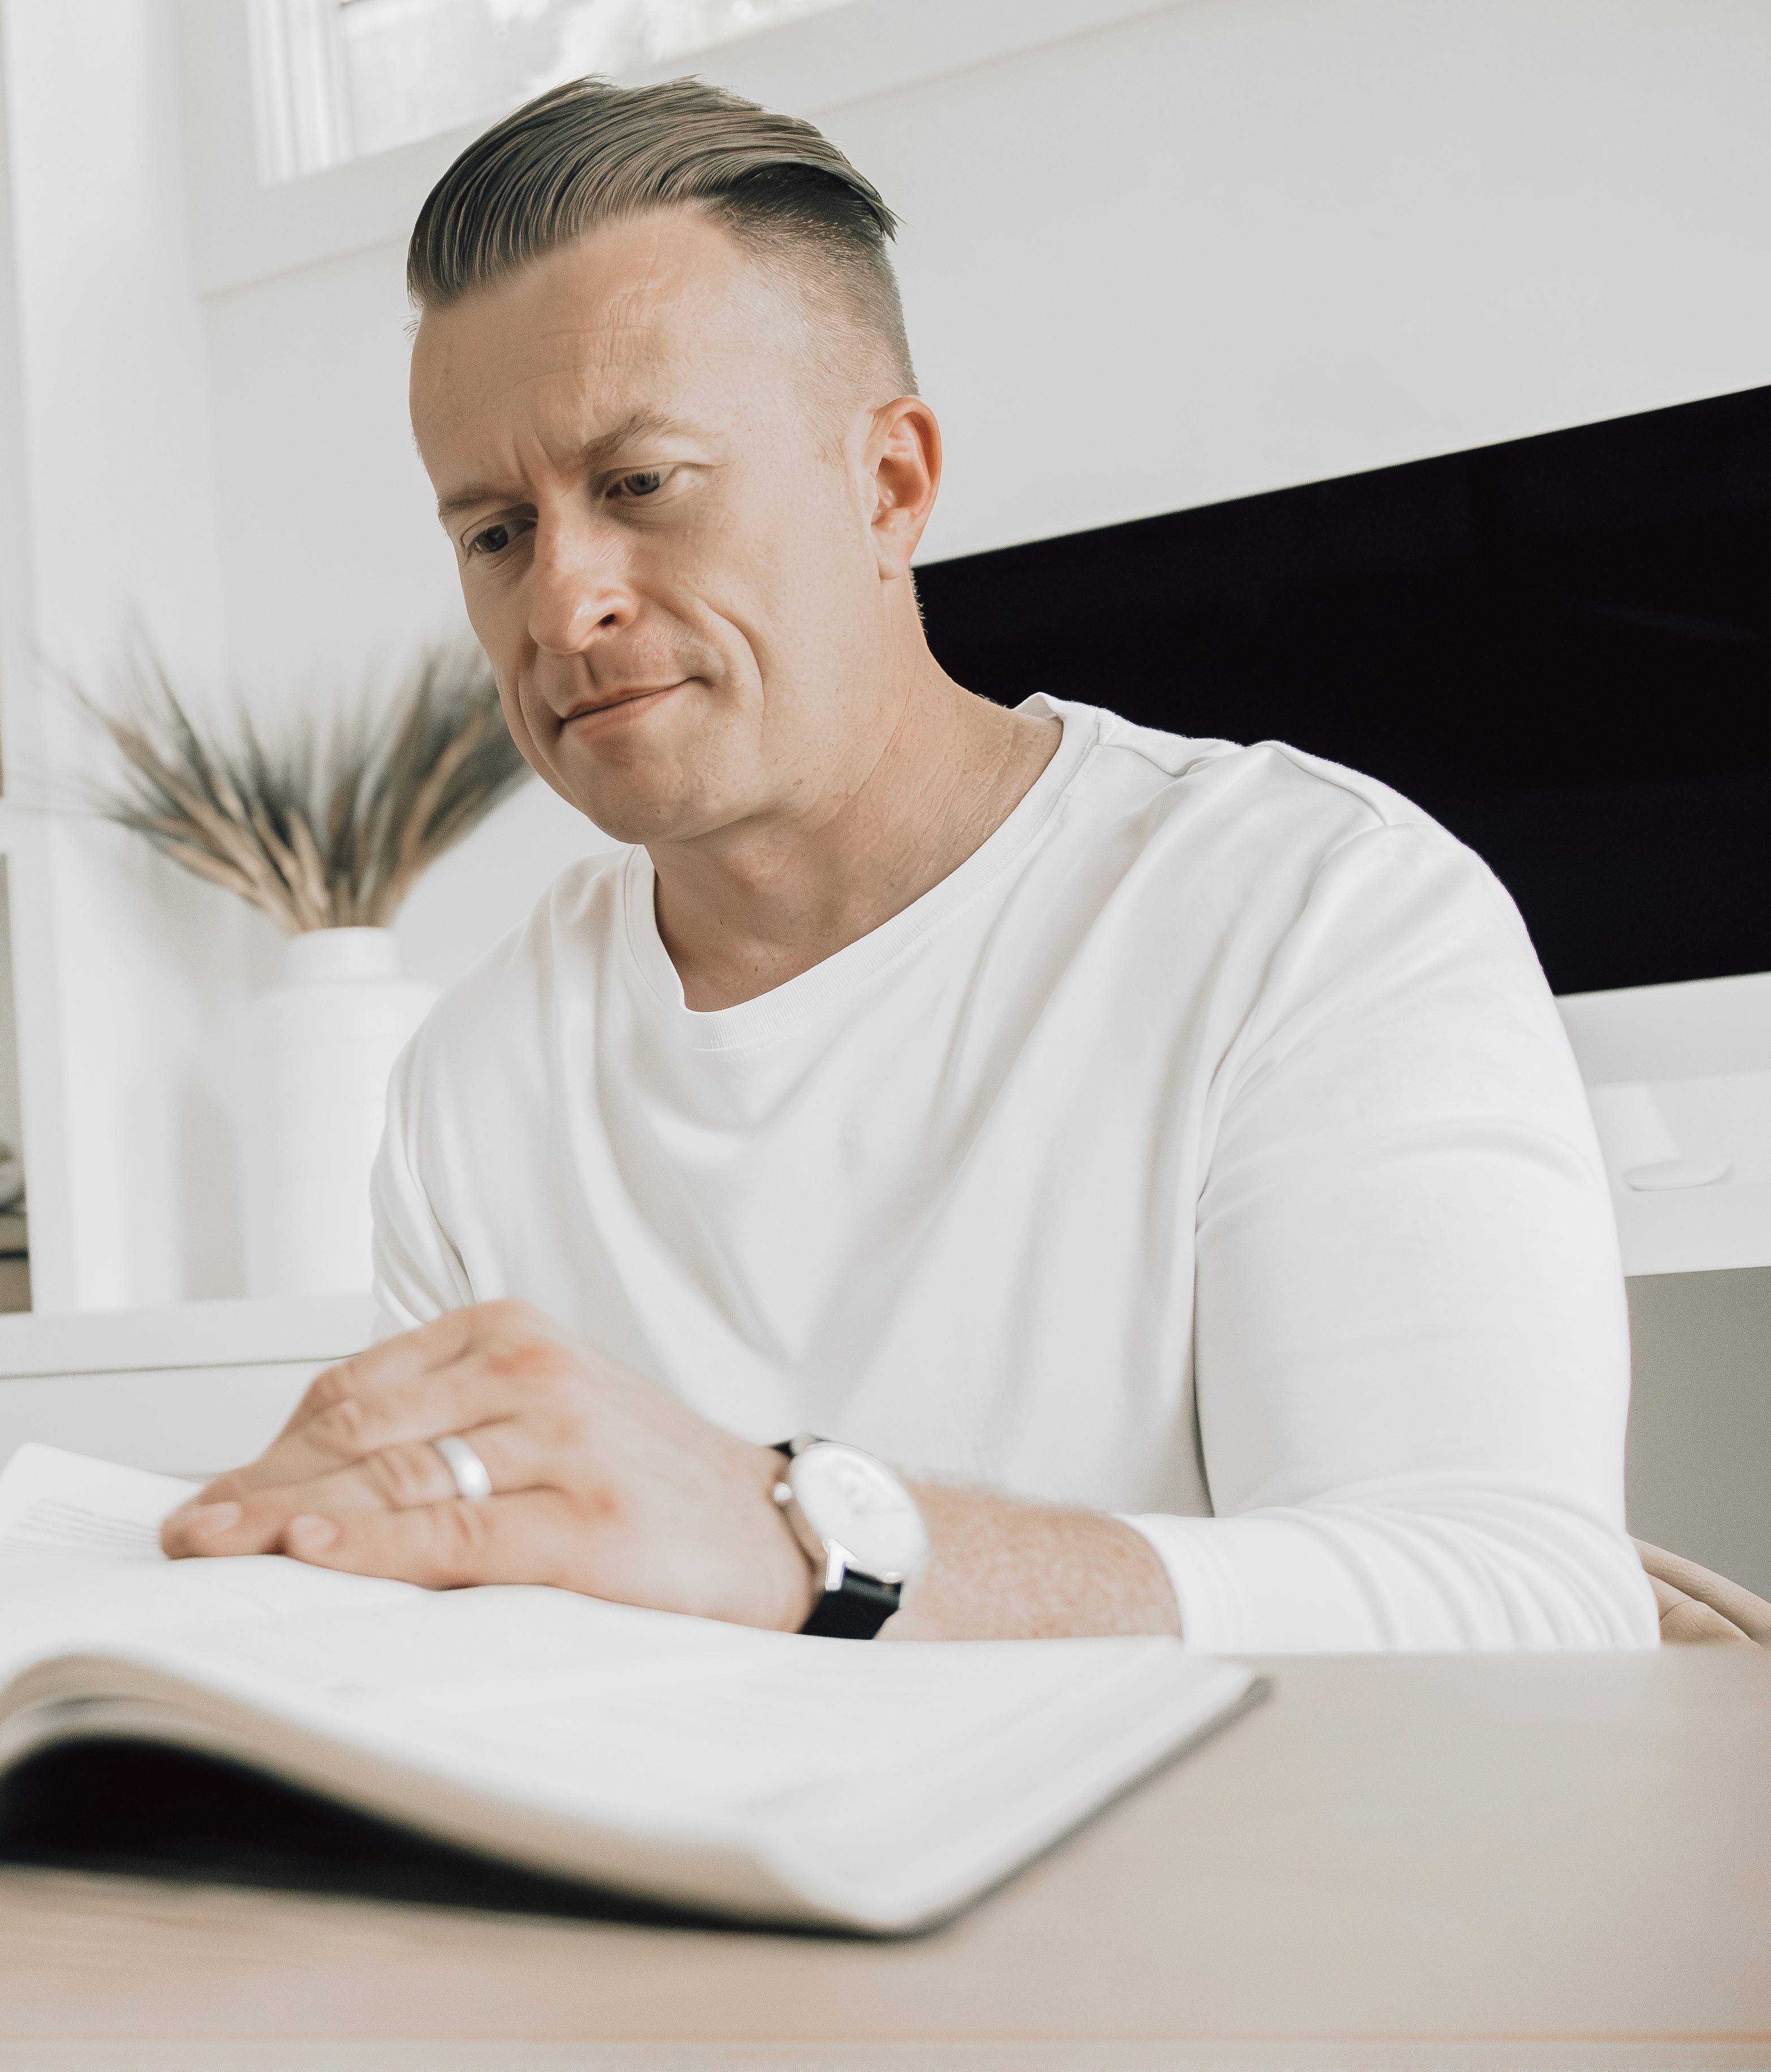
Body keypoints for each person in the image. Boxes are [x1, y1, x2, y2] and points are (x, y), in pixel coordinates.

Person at [161, 77, 1656, 1651]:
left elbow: (1521, 1605)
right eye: (493, 534)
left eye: (638, 487)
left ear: (888, 486)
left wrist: (802, 1541)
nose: (560, 603)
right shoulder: (471, 1075)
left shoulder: (1311, 912)